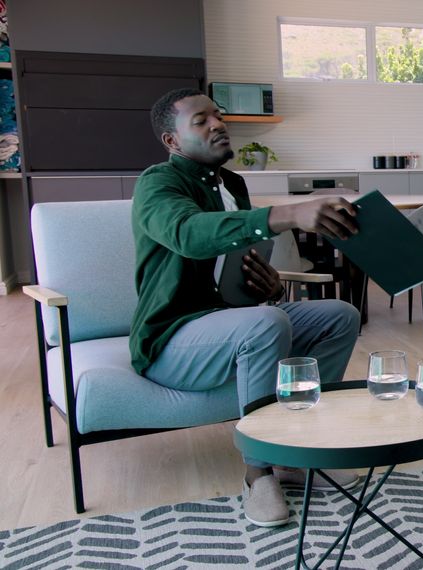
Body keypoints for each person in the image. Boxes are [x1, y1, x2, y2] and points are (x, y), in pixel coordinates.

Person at [131, 88, 362, 527]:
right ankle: (259, 473)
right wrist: (288, 213)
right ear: (171, 141)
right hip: (172, 338)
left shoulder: (233, 184)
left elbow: (233, 271)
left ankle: (297, 456)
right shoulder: (157, 184)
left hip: (229, 323)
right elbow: (189, 234)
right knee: (264, 325)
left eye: (218, 116)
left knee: (339, 316)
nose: (218, 124)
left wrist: (270, 286)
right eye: (201, 120)